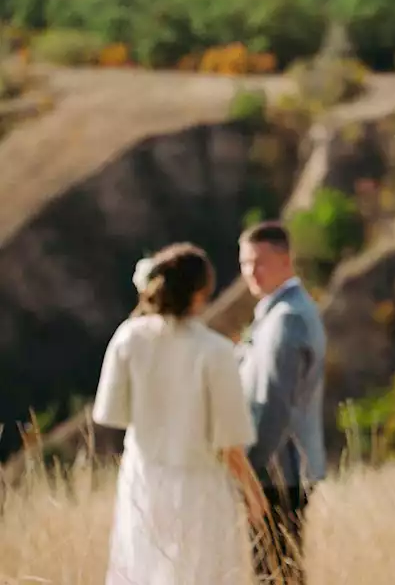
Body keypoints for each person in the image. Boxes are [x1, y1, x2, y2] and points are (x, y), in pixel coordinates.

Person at [93, 243, 268, 585]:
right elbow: (229, 443)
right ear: (201, 293)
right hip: (200, 486)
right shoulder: (216, 352)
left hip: (142, 480)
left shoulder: (128, 338)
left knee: (141, 573)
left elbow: (110, 413)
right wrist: (254, 494)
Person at [237, 220, 328, 584]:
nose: (251, 272)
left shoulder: (287, 319)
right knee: (279, 571)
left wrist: (249, 471)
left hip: (280, 471)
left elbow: (275, 407)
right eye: (245, 263)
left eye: (260, 261)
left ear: (286, 261)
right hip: (282, 470)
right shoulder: (280, 312)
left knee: (275, 574)